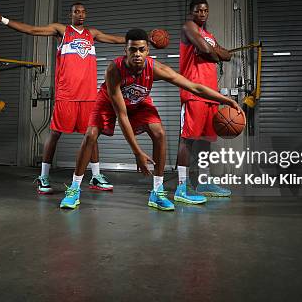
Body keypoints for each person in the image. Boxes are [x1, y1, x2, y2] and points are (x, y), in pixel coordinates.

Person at [59, 28, 239, 211]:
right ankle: (74, 189)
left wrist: (226, 100)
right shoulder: (115, 69)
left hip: (139, 101)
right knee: (90, 135)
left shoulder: (156, 68)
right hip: (109, 100)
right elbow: (122, 115)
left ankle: (158, 191)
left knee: (159, 132)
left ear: (148, 51)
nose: (137, 54)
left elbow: (195, 87)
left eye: (141, 50)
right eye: (132, 50)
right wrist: (137, 152)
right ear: (126, 51)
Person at [0, 2, 125, 194]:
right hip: (67, 94)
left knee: (92, 136)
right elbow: (32, 30)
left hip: (88, 95)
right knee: (55, 134)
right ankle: (44, 176)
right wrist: (1, 19)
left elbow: (115, 39)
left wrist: (141, 40)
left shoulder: (92, 34)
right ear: (70, 14)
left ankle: (95, 176)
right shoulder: (61, 30)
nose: (80, 14)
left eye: (82, 11)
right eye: (76, 12)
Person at [175, 0, 235, 203]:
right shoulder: (188, 27)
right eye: (198, 10)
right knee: (188, 140)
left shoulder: (208, 34)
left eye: (205, 10)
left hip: (210, 93)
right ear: (191, 12)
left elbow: (224, 55)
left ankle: (204, 182)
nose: (202, 13)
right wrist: (212, 51)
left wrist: (213, 52)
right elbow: (208, 50)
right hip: (194, 91)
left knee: (206, 141)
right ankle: (182, 187)